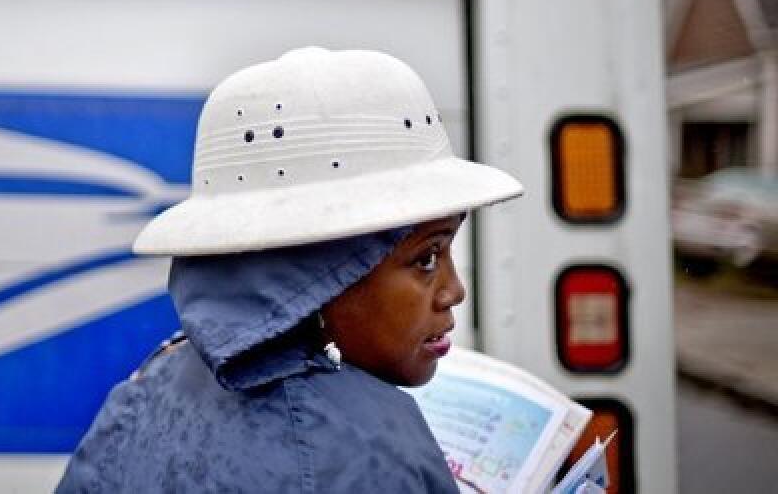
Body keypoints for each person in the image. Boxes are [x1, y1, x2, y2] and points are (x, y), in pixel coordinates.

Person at [56, 47, 523, 493]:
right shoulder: (370, 446)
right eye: (426, 258)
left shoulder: (138, 402)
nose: (454, 291)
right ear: (322, 271)